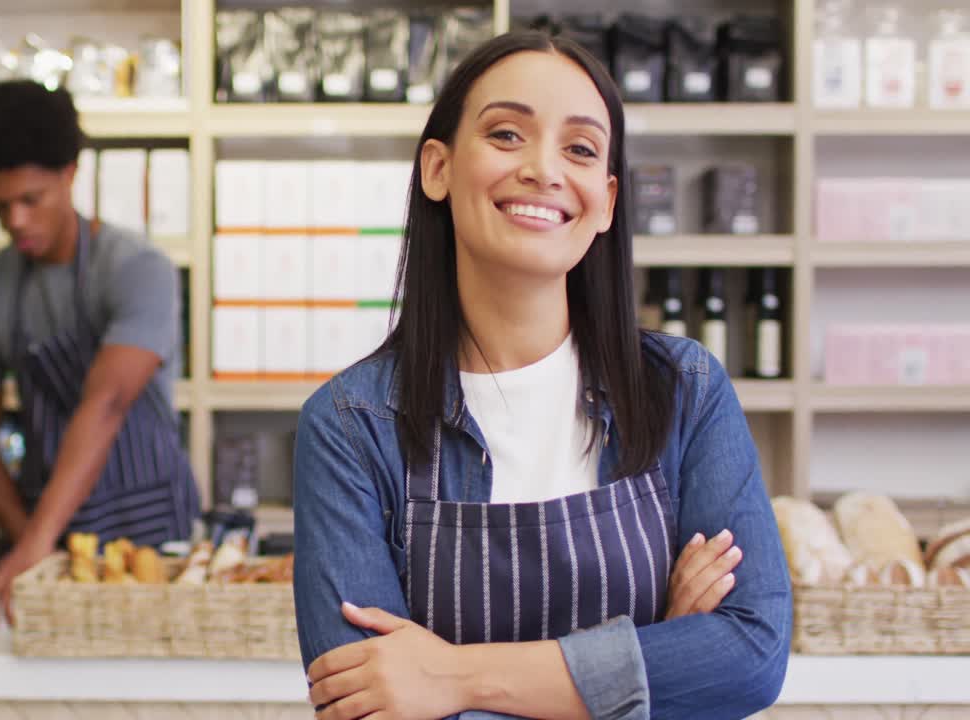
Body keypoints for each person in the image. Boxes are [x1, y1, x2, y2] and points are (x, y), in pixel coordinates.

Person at [293, 32, 791, 720]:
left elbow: (750, 655)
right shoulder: (350, 426)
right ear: (437, 167)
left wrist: (456, 677)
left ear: (608, 200)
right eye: (506, 134)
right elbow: (365, 701)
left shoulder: (684, 390)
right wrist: (654, 658)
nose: (544, 169)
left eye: (580, 148)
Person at [0, 80, 198, 626]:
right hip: (44, 520)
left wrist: (38, 543)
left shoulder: (137, 269)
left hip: (150, 529)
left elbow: (106, 405)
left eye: (30, 200)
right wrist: (31, 541)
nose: (15, 220)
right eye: (0, 205)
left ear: (69, 175)